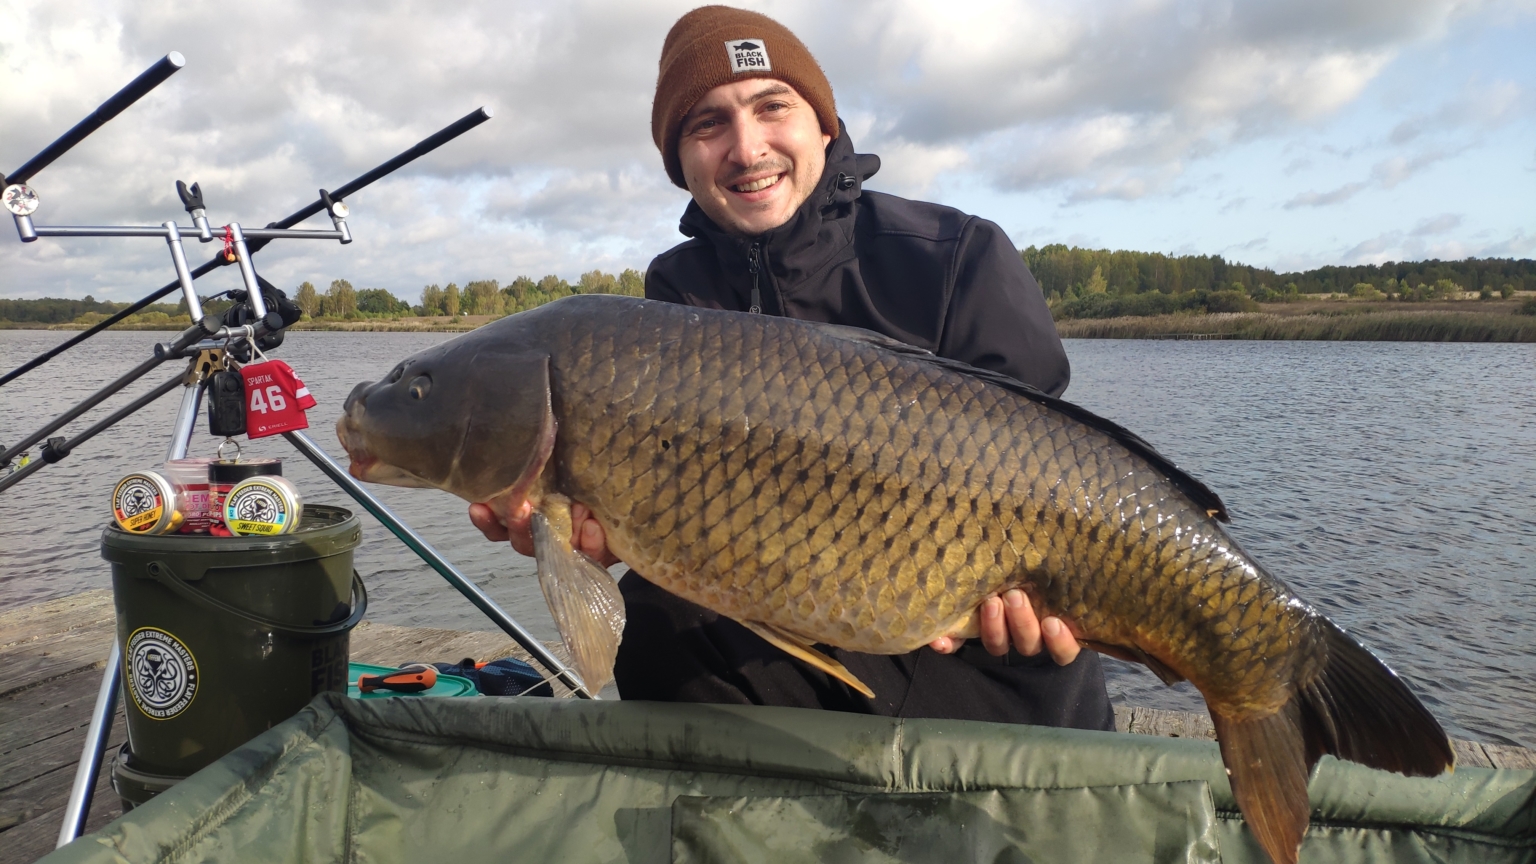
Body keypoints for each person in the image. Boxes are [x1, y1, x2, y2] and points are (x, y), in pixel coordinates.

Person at [472, 5, 1114, 730]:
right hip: (808, 646)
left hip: (986, 672)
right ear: (679, 163)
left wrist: (1032, 604)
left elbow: (1059, 476)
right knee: (661, 624)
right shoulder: (674, 302)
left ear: (824, 126)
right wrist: (586, 537)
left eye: (771, 107)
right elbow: (681, 531)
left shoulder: (956, 256)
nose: (747, 149)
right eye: (707, 124)